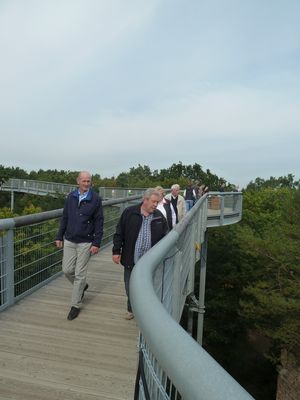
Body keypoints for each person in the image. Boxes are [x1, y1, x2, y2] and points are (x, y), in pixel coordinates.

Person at [112, 188, 168, 320]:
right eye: (153, 202)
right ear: (145, 200)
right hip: (131, 258)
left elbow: (166, 237)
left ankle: (144, 311)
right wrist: (116, 251)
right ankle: (131, 308)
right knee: (129, 287)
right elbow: (119, 232)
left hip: (150, 261)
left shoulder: (159, 216)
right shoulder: (129, 213)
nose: (155, 205)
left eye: (157, 202)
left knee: (148, 287)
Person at [55, 171, 104, 320]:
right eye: (83, 181)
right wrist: (59, 236)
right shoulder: (71, 197)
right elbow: (65, 217)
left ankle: (75, 305)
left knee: (80, 274)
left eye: (88, 181)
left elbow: (99, 221)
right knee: (67, 270)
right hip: (70, 239)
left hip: (85, 241)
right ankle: (82, 286)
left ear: (91, 183)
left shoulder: (95, 199)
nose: (86, 183)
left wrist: (96, 242)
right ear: (78, 181)